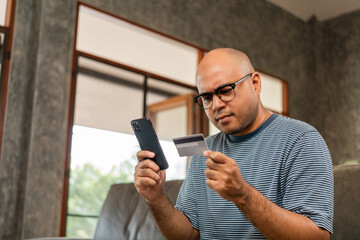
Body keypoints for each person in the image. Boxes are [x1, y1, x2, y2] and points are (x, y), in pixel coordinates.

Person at [134, 48, 333, 239]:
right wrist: (156, 198)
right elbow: (187, 235)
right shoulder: (203, 151)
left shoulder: (301, 139)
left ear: (255, 84)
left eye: (226, 90)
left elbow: (316, 236)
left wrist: (243, 195)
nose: (217, 105)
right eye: (207, 97)